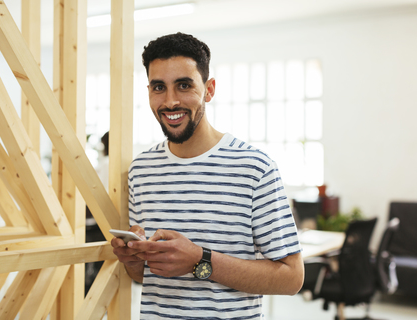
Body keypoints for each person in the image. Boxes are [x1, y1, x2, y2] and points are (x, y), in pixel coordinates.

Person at [111, 32, 304, 319]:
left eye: (184, 85)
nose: (170, 101)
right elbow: (144, 277)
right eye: (159, 87)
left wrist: (199, 261)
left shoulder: (255, 168)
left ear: (209, 89)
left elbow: (291, 278)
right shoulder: (141, 170)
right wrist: (134, 259)